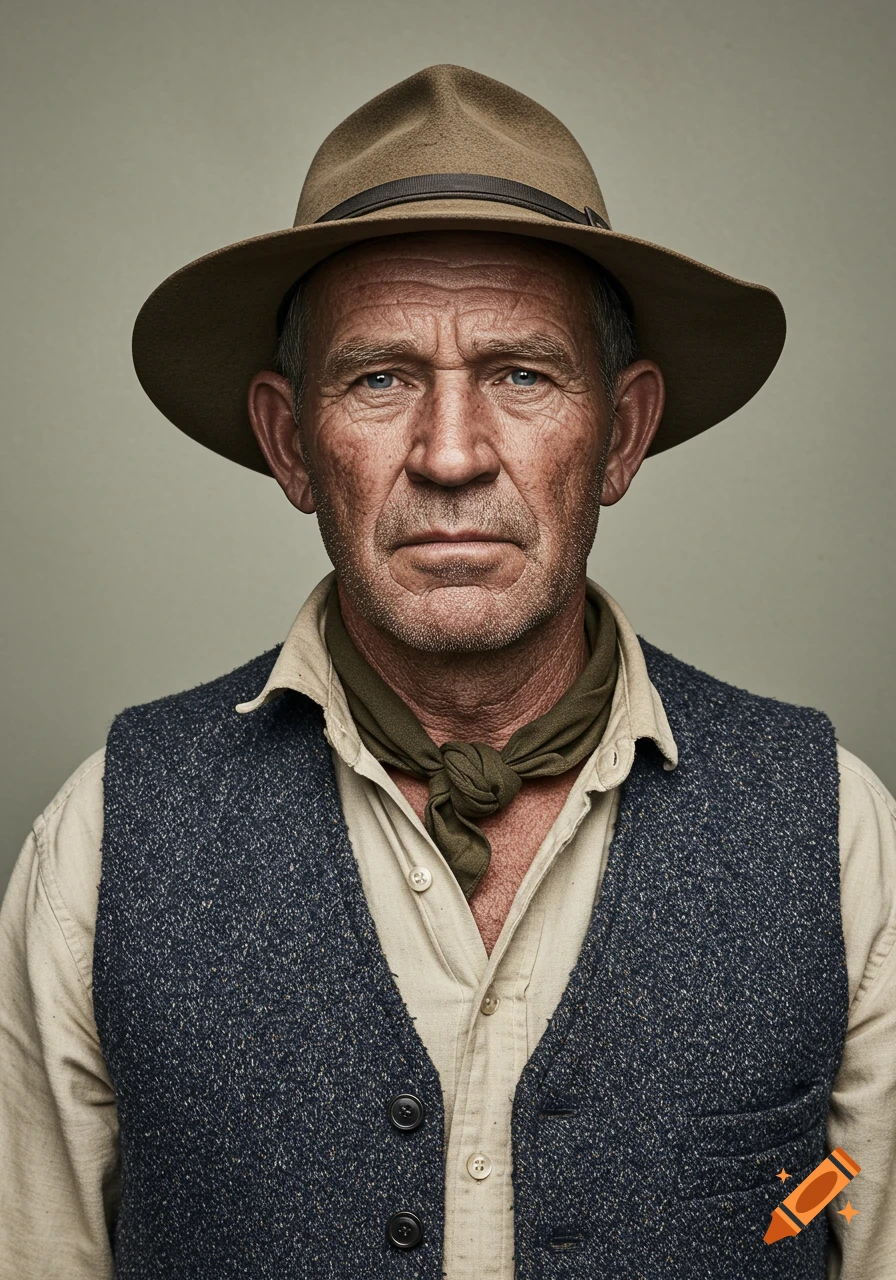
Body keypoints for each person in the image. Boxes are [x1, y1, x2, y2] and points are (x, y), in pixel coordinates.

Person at [0, 63, 893, 1280]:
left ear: (622, 432)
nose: (452, 453)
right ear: (290, 442)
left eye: (521, 373)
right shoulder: (105, 837)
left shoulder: (834, 832)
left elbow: (848, 1218)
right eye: (379, 379)